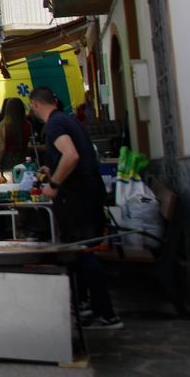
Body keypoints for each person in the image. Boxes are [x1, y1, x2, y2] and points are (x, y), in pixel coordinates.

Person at [30, 87, 120, 330]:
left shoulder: (54, 124)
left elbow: (71, 156)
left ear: (35, 104)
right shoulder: (67, 120)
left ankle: (106, 313)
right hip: (88, 192)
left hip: (79, 197)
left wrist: (54, 185)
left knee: (84, 251)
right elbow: (71, 156)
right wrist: (53, 170)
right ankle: (88, 304)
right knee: (82, 252)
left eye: (32, 107)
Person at [0, 96, 33, 166]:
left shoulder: (4, 125)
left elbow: (2, 148)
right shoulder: (28, 124)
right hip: (24, 157)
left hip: (9, 159)